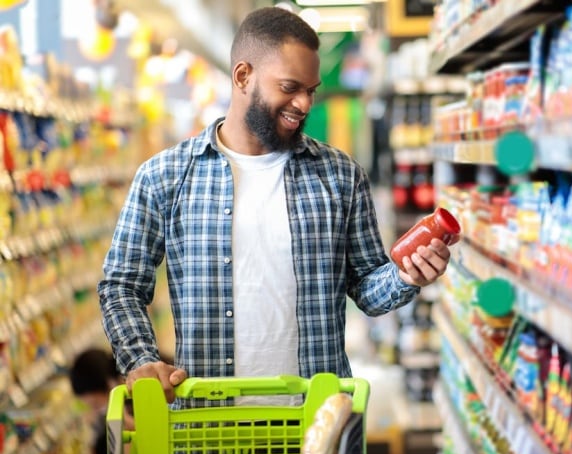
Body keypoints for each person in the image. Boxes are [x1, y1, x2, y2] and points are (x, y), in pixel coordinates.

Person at [98, 6, 457, 407]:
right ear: (242, 76)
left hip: (318, 423)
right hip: (209, 426)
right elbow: (121, 284)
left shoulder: (340, 176)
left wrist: (407, 276)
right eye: (289, 86)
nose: (304, 104)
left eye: (311, 90)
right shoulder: (164, 176)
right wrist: (140, 358)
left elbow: (368, 291)